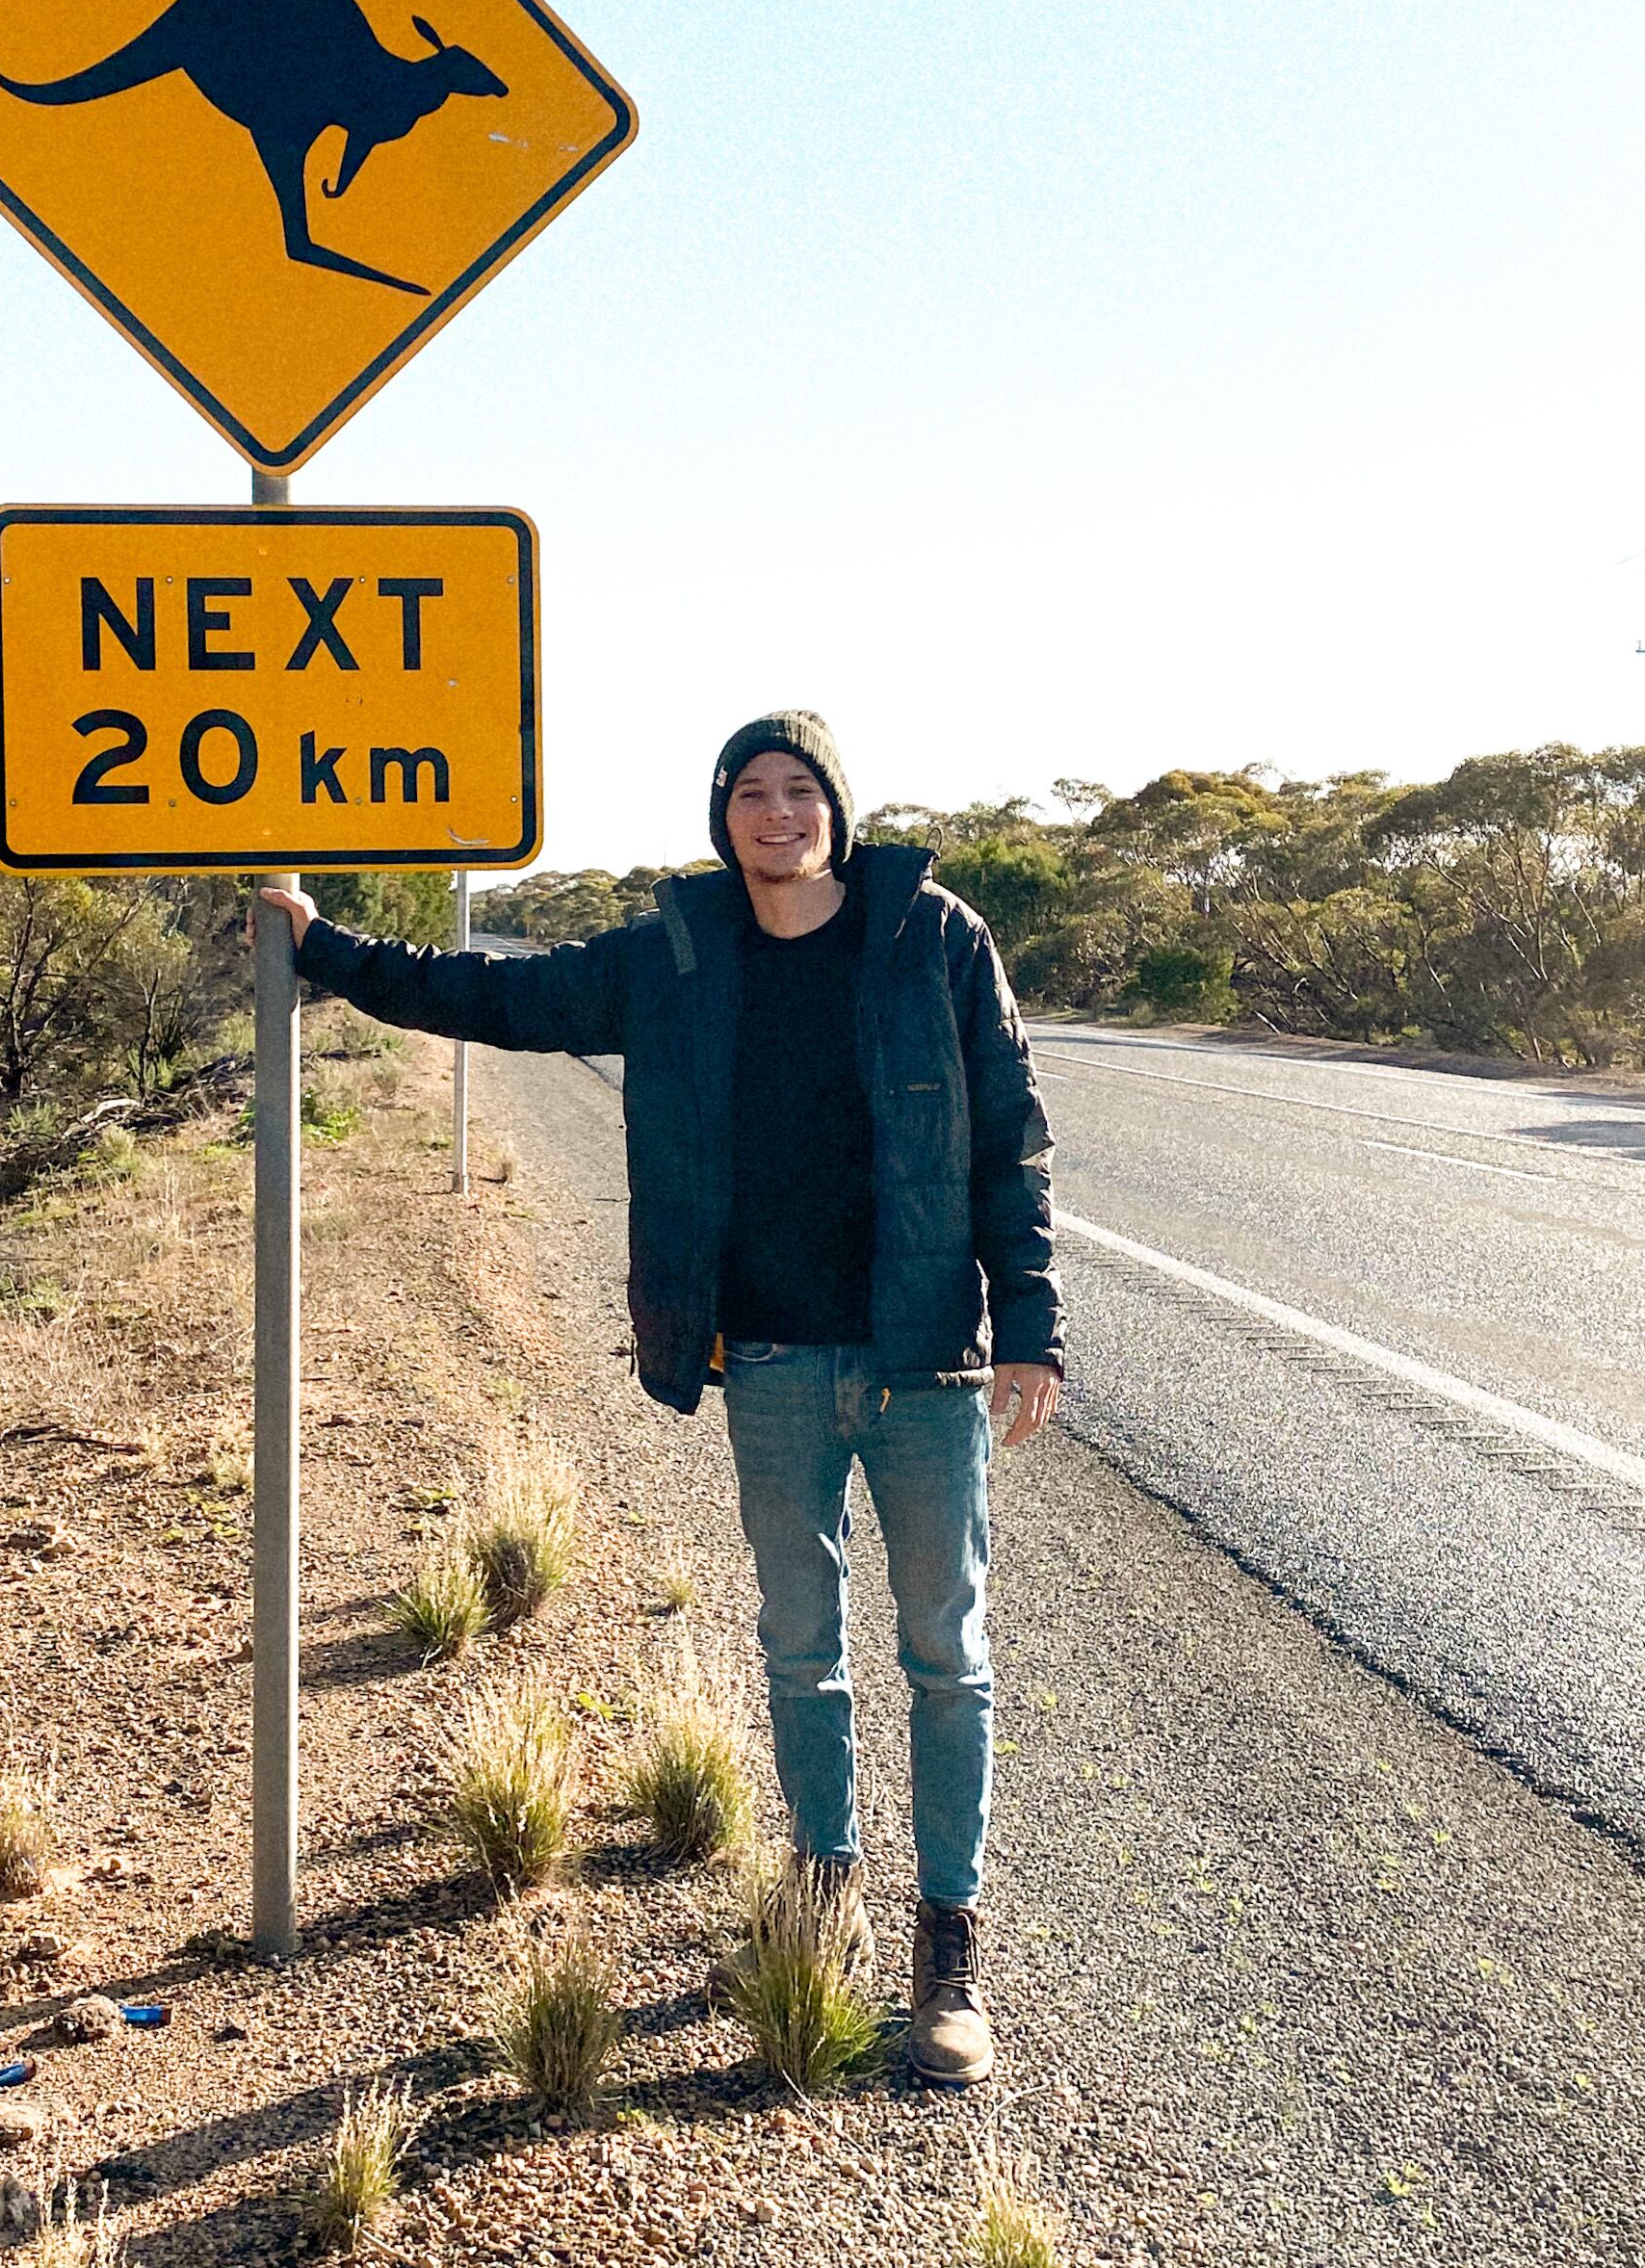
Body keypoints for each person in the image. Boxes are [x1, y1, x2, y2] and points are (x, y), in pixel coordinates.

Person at [252, 709, 1064, 2089]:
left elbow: (1009, 1139)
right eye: (749, 791)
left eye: (798, 789)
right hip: (768, 1360)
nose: (775, 812)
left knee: (945, 1659)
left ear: (836, 809)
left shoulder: (933, 936)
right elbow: (497, 1002)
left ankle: (948, 1955)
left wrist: (1029, 1325)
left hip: (921, 1357)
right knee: (802, 1651)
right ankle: (820, 1903)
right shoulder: (674, 954)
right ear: (720, 814)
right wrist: (325, 952)